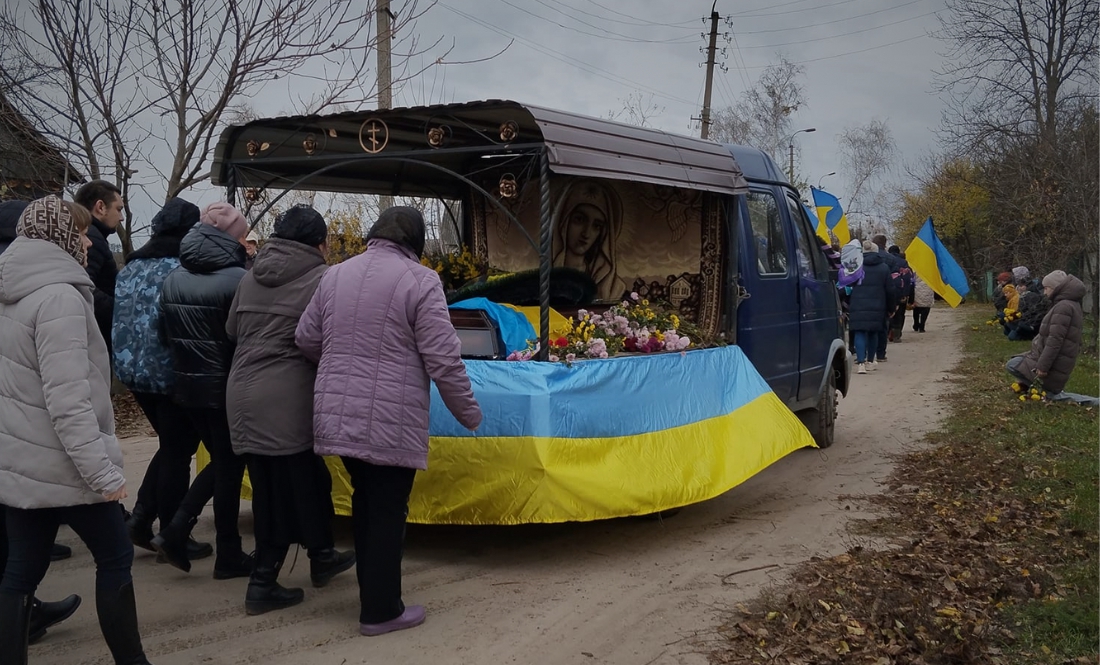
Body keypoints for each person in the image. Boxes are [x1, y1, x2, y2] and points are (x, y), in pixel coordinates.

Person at [296, 206, 482, 636]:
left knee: (366, 504)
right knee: (385, 511)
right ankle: (380, 610)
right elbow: (443, 357)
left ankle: (374, 597)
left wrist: (341, 367)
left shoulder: (335, 275)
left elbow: (305, 338)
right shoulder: (420, 280)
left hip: (336, 418)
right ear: (414, 243)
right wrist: (468, 413)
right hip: (389, 420)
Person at [0, 196, 153, 664]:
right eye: (81, 231)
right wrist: (104, 474)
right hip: (68, 466)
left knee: (20, 572)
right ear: (60, 238)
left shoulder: (13, 289)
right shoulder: (59, 298)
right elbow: (69, 402)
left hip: (26, 463)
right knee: (115, 557)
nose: (88, 241)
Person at [226, 205, 354, 615]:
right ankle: (263, 582)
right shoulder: (324, 278)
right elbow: (328, 337)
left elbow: (231, 330)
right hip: (285, 395)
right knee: (278, 492)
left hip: (242, 391)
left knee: (306, 479)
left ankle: (321, 555)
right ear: (320, 243)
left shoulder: (250, 276)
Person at [153, 202, 252, 579]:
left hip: (186, 385)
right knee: (229, 466)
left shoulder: (174, 277)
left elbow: (163, 334)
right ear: (230, 237)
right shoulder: (238, 279)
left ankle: (178, 530)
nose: (245, 241)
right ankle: (221, 550)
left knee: (224, 463)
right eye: (241, 234)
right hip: (226, 385)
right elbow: (244, 338)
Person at [112, 198, 213, 562]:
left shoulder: (131, 267)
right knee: (177, 450)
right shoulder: (180, 269)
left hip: (132, 372)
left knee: (172, 445)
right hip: (168, 372)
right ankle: (172, 533)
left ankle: (141, 520)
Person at [1006, 271, 1086, 399]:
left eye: (1046, 288)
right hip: (1054, 359)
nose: (1044, 292)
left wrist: (1042, 367)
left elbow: (1055, 341)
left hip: (1055, 364)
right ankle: (1036, 388)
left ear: (1056, 288)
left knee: (1013, 364)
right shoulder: (1067, 304)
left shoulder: (1063, 307)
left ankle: (1047, 391)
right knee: (1016, 361)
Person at [74, 180, 125, 358]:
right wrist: (120, 311)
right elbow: (83, 287)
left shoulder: (89, 235)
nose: (121, 218)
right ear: (100, 207)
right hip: (92, 342)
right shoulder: (91, 239)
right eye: (118, 209)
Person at [553, 180, 625, 301]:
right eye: (579, 219)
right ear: (564, 222)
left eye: (596, 226)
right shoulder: (544, 278)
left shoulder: (613, 287)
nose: (586, 233)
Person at [847, 240, 895, 374]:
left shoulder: (856, 266)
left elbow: (846, 284)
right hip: (878, 305)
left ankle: (860, 363)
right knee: (874, 332)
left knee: (859, 332)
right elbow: (890, 290)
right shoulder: (884, 268)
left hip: (858, 304)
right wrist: (891, 308)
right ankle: (870, 361)